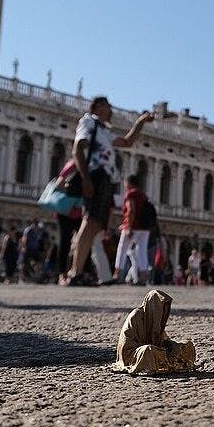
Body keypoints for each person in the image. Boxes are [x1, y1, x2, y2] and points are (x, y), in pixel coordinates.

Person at [64, 97, 154, 286]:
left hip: (104, 179)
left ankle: (79, 271)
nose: (111, 109)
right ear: (98, 107)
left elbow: (128, 142)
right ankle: (75, 272)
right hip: (95, 176)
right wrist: (86, 179)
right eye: (107, 105)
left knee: (95, 225)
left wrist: (140, 122)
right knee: (89, 223)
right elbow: (77, 149)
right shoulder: (88, 122)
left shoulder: (103, 130)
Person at [115, 174, 154, 285]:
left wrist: (128, 227)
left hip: (134, 226)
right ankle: (143, 277)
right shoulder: (143, 195)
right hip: (145, 228)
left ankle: (117, 275)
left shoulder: (131, 194)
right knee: (142, 252)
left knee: (122, 249)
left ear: (129, 183)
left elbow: (131, 210)